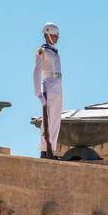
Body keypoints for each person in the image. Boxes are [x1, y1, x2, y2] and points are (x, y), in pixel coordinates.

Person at [33, 22, 64, 159]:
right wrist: (38, 93)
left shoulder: (54, 51)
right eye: (53, 35)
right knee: (48, 121)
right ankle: (45, 150)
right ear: (47, 34)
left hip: (57, 86)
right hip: (48, 86)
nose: (56, 37)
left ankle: (53, 150)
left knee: (56, 121)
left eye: (56, 35)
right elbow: (36, 73)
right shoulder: (43, 51)